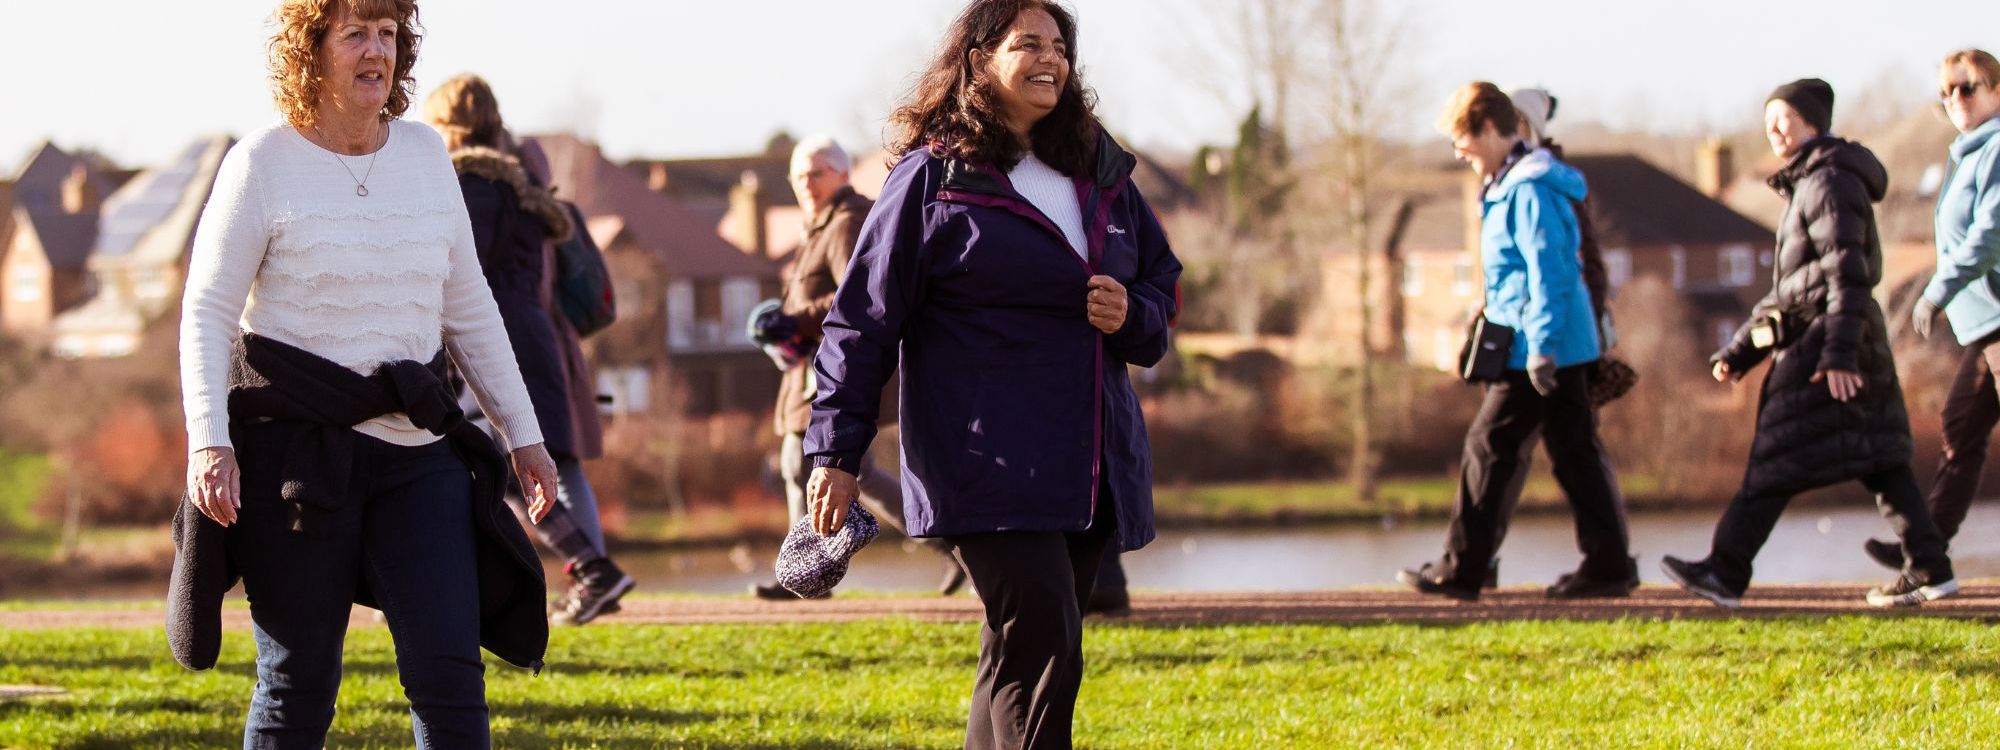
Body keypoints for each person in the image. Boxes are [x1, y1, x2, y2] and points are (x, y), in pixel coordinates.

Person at [177, 1, 559, 746]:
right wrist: (208, 441)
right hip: (297, 462)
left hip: (417, 455)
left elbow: (470, 308)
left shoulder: (424, 156)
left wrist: (526, 437)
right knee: (298, 680)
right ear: (310, 50)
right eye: (355, 32)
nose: (376, 51)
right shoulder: (261, 163)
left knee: (450, 671)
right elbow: (208, 312)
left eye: (388, 34)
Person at [802, 1, 1181, 747]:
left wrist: (1129, 313)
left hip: (1087, 462)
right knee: (1043, 653)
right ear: (978, 61)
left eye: (1059, 47)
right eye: (1026, 44)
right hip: (984, 462)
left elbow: (1162, 284)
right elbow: (861, 323)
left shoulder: (1099, 171)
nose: (1050, 59)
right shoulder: (931, 180)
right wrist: (836, 455)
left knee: (1023, 654)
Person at [1663, 79, 1957, 609]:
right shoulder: (1816, 182)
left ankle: (1725, 573)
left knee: (1777, 461)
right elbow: (1793, 289)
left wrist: (1839, 355)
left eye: (1785, 119)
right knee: (1881, 460)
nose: (1774, 129)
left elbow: (1848, 274)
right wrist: (1741, 353)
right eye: (1768, 120)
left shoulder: (1828, 183)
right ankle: (1931, 568)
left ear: (1814, 123)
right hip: (1836, 338)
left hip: (1829, 345)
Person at [1398, 82, 1637, 602]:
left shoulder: (1528, 188)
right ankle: (1608, 564)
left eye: (1461, 137)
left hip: (1538, 347)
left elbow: (1549, 271)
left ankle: (1464, 568)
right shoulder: (1513, 182)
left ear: (1489, 129)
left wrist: (1544, 349)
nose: (1457, 150)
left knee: (1490, 448)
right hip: (1541, 342)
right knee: (1573, 453)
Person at [422, 75, 634, 625]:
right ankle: (588, 571)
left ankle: (590, 569)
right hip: (532, 334)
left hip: (492, 341)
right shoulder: (521, 191)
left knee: (500, 469)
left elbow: (463, 275)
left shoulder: (468, 188)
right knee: (533, 466)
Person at [750, 135, 968, 600]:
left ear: (842, 175)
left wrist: (791, 318)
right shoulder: (818, 226)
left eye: (817, 172)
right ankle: (947, 549)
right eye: (798, 175)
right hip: (806, 372)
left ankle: (808, 572)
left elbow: (860, 296)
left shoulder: (847, 222)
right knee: (830, 469)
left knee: (822, 466)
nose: (806, 183)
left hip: (832, 374)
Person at [1883, 50, 2000, 570]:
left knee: (1962, 433)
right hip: (1985, 325)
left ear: (1997, 89)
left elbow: (1987, 235)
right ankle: (1924, 552)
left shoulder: (1997, 148)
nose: (1955, 99)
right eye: (1946, 92)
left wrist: (1937, 291)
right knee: (1959, 430)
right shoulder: (1968, 153)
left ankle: (1923, 553)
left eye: (1967, 87)